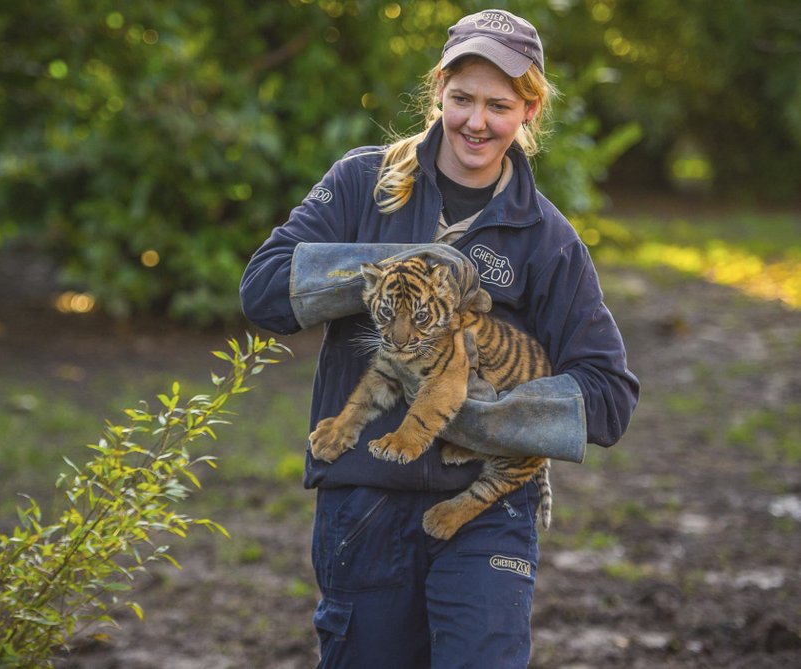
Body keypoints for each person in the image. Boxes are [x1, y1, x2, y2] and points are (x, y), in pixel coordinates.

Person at [240, 8, 639, 669]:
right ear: (439, 95)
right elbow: (263, 291)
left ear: (529, 113)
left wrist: (484, 419)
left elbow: (608, 394)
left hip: (488, 511)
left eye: (498, 104)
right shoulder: (361, 185)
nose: (476, 122)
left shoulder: (547, 240)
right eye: (461, 99)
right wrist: (401, 270)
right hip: (365, 502)